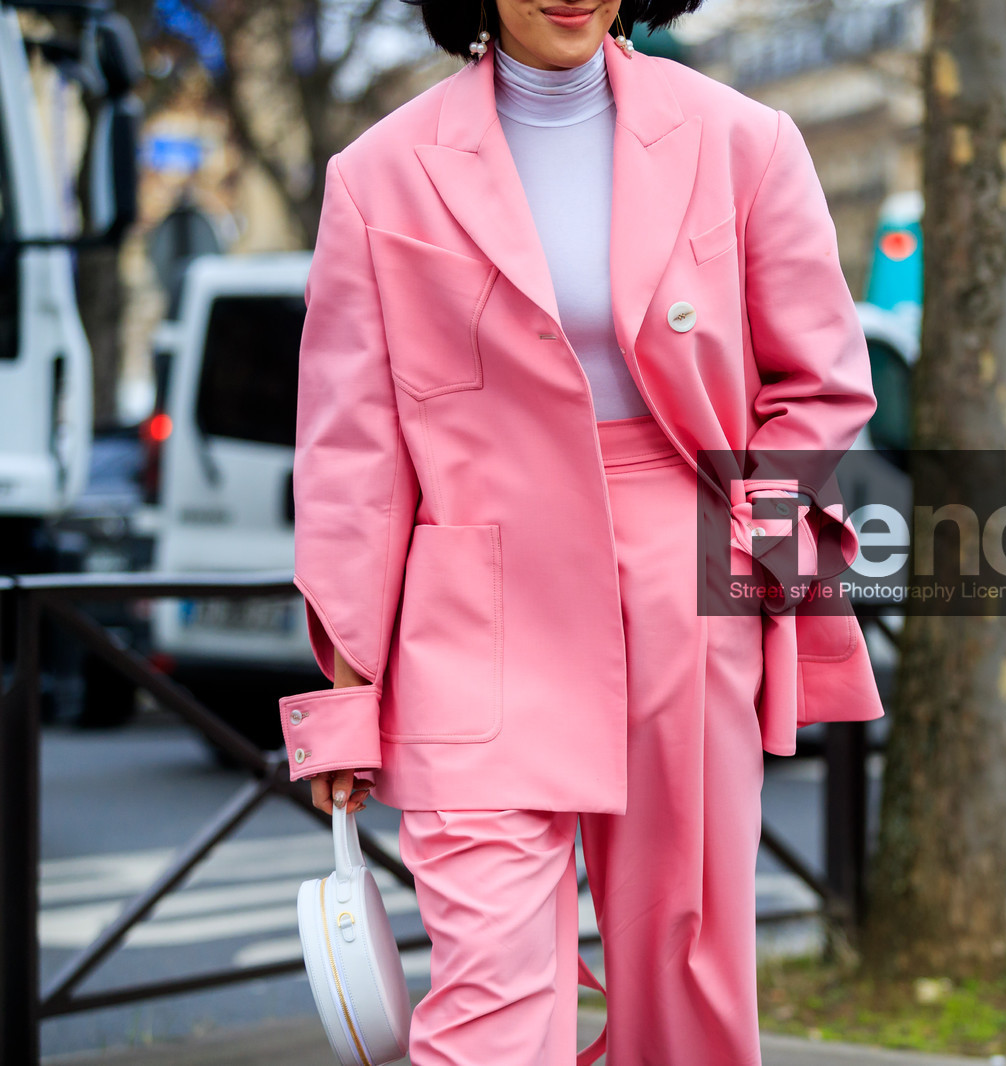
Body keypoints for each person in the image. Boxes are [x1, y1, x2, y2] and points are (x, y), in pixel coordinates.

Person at [275, 1, 883, 1062]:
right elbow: (350, 457)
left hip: (684, 581)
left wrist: (754, 558)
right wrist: (346, 688)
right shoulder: (376, 174)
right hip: (472, 609)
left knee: (683, 986)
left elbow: (821, 384)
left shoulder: (744, 139)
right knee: (485, 1001)